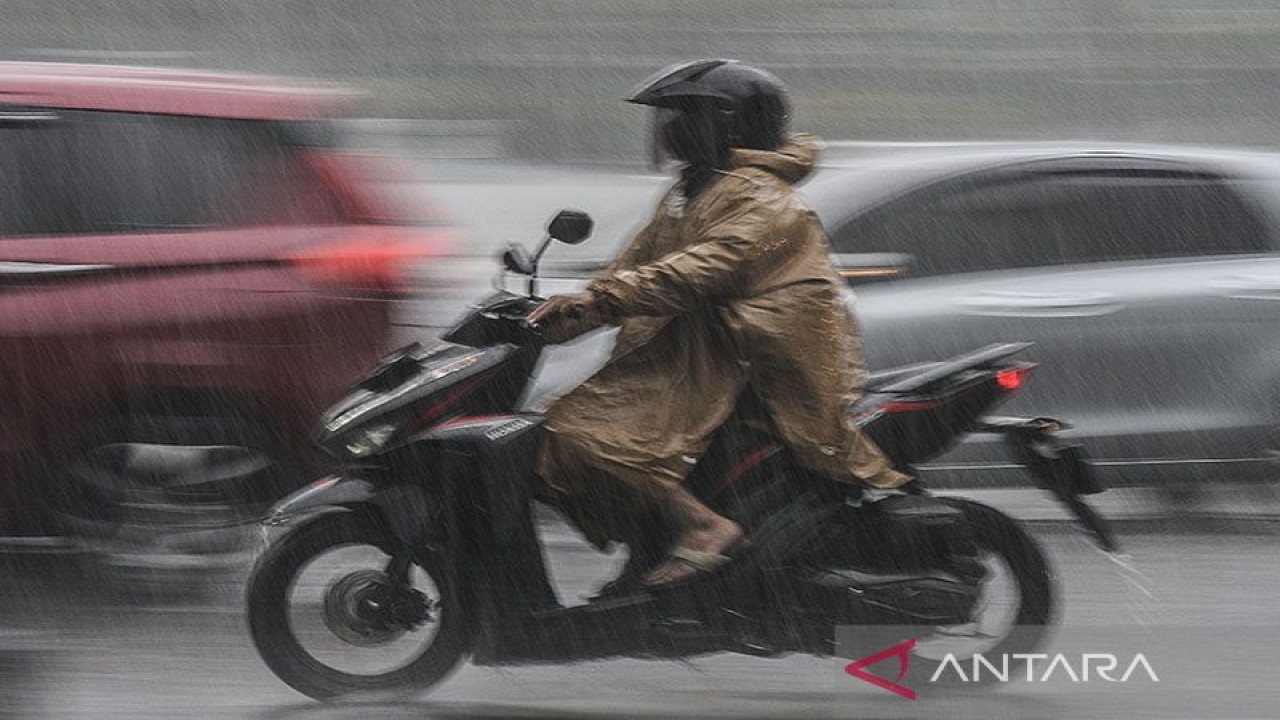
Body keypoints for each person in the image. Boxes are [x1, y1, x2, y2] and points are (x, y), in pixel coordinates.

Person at [527, 59, 912, 587]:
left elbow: (701, 268)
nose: (671, 130)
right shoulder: (692, 190)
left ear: (730, 125)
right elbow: (636, 264)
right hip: (700, 355)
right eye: (671, 118)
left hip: (752, 359)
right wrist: (569, 310)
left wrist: (603, 301)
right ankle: (652, 544)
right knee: (551, 434)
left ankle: (705, 526)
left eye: (687, 117)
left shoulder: (761, 197)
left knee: (581, 432)